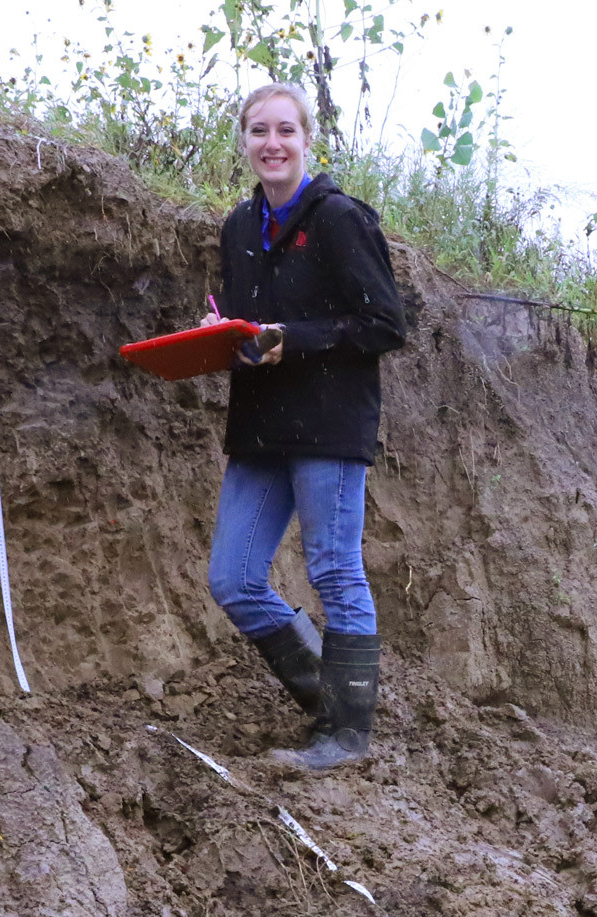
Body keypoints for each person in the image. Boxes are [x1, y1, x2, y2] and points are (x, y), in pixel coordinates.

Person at [201, 81, 407, 770]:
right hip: (261, 424)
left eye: (285, 130)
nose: (272, 144)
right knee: (232, 577)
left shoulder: (341, 218)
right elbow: (248, 325)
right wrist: (218, 333)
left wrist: (298, 337)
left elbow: (385, 324)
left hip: (328, 423)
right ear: (244, 141)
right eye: (258, 131)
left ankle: (346, 736)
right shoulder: (238, 227)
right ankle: (331, 692)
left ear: (307, 139)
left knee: (335, 571)